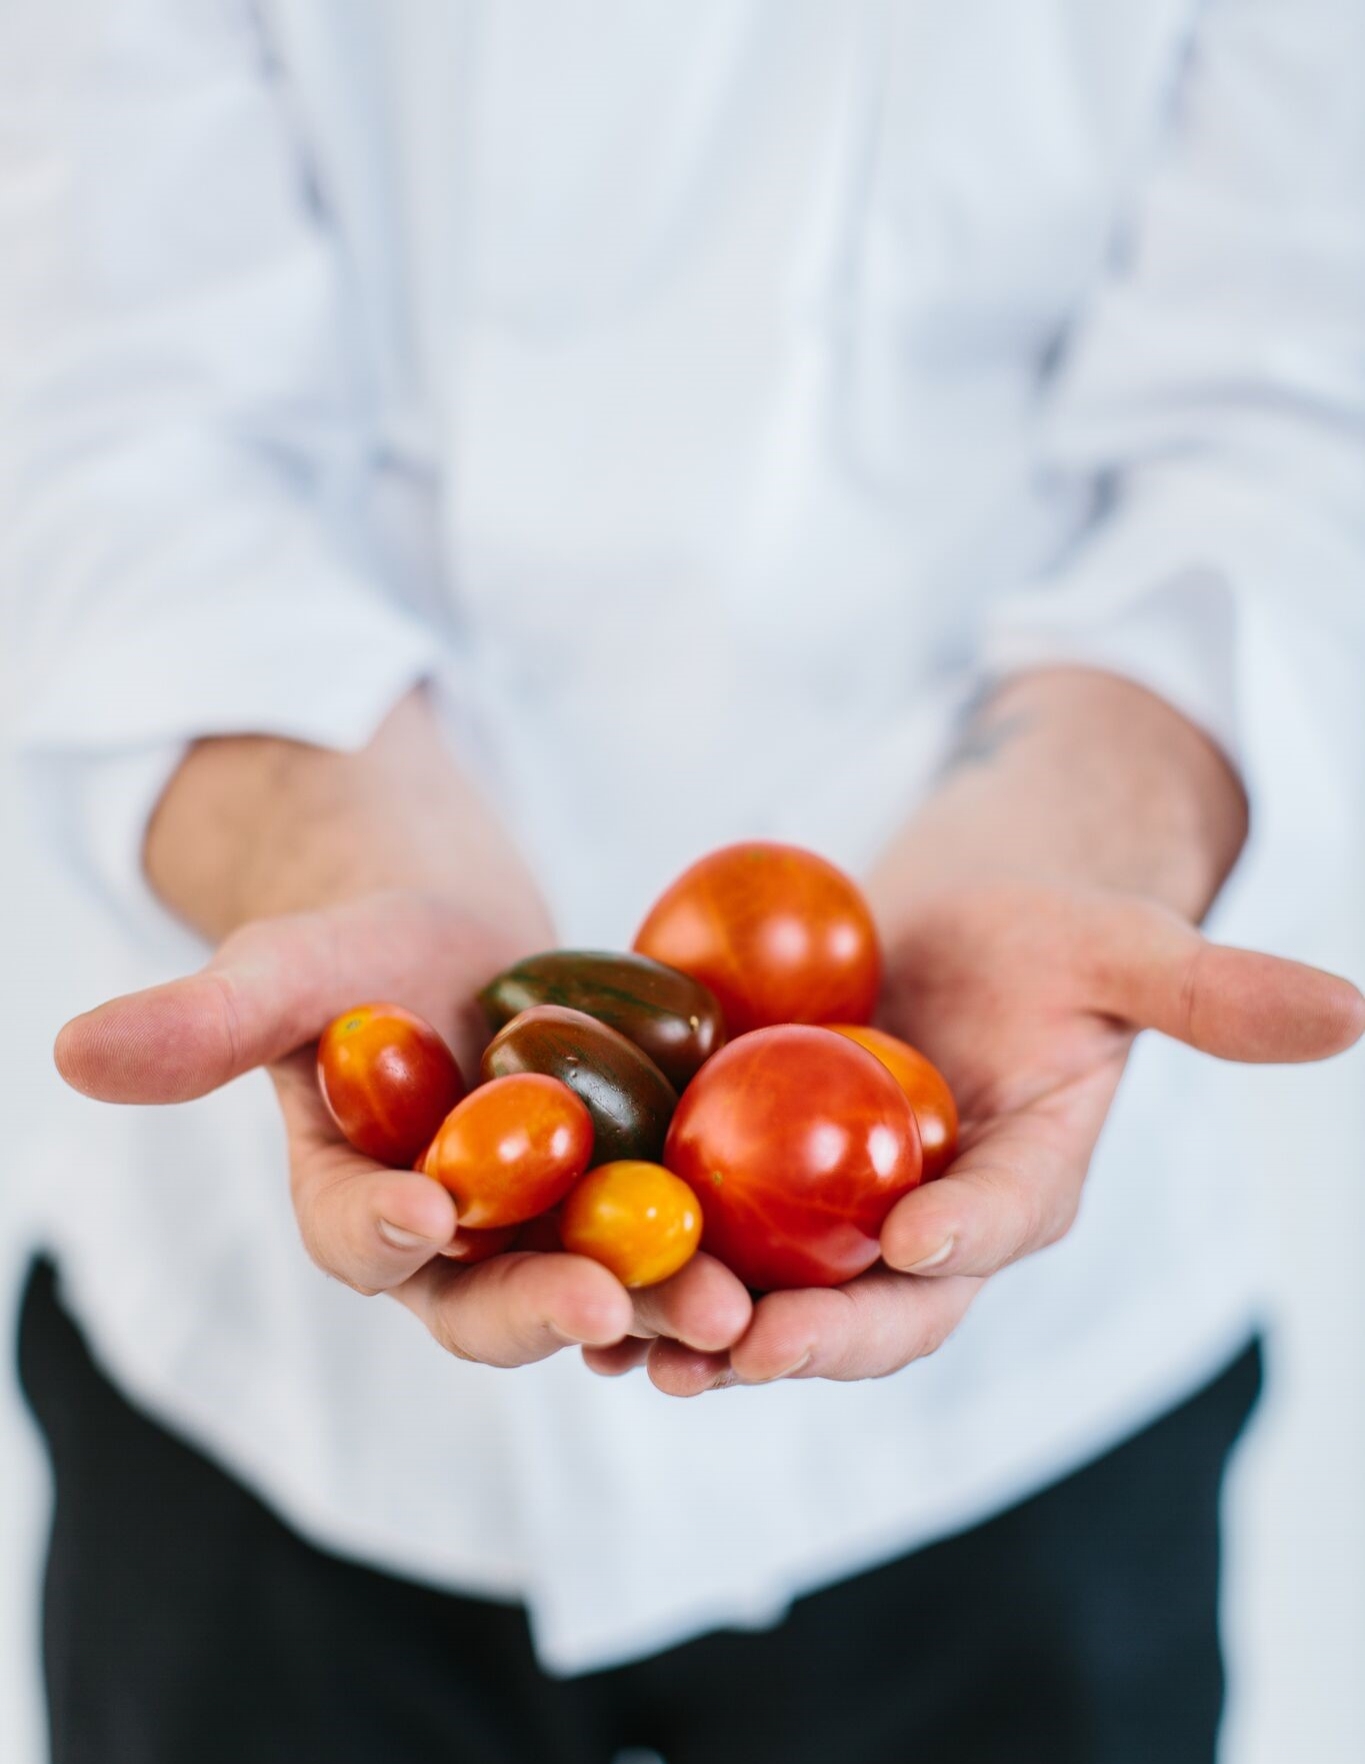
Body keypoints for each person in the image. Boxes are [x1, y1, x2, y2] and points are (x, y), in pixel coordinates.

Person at [3, 3, 1363, 1760]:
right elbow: (101, 401)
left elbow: (1296, 395)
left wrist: (1102, 811)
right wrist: (318, 842)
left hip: (1023, 1429)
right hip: (269, 1421)